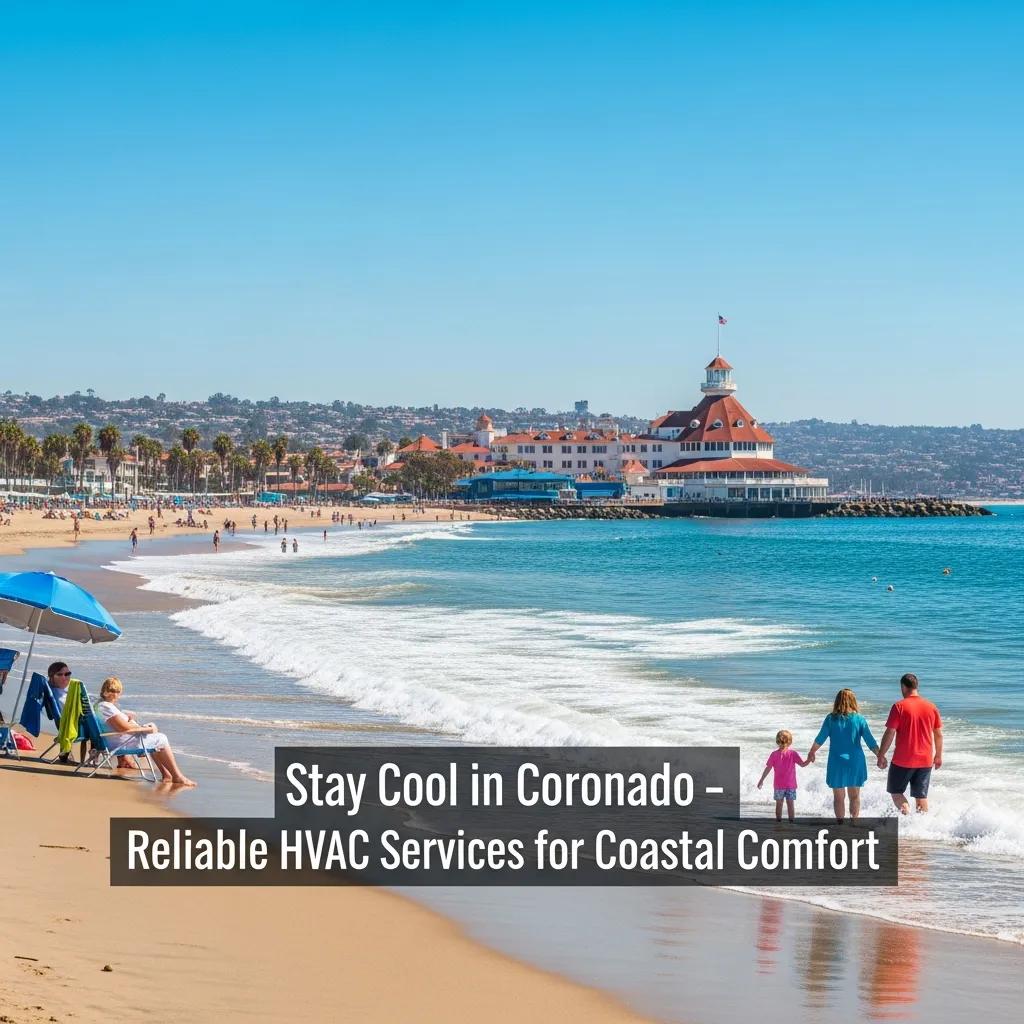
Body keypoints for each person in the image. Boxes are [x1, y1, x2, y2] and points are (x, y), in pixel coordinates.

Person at [95, 677, 195, 786]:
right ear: (108, 692)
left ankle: (166, 774)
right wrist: (143, 729)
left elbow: (116, 724)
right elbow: (123, 728)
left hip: (114, 740)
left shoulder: (99, 705)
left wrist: (132, 721)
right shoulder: (106, 707)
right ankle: (177, 776)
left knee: (154, 733)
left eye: (118, 691)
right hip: (121, 743)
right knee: (162, 738)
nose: (116, 694)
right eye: (114, 691)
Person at [807, 688, 884, 823]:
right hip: (855, 762)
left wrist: (812, 751)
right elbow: (870, 741)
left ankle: (840, 824)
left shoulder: (830, 719)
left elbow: (820, 738)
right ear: (853, 701)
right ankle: (854, 822)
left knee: (838, 798)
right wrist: (880, 755)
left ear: (837, 701)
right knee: (854, 797)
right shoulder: (859, 719)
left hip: (836, 762)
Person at [877, 673, 942, 814]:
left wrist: (881, 754)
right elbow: (938, 734)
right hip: (925, 760)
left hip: (903, 760)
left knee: (896, 792)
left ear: (903, 687)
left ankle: (907, 816)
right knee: (921, 796)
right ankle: (921, 826)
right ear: (916, 686)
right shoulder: (931, 707)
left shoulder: (899, 706)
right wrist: (938, 756)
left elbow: (890, 733)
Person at [756, 729, 809, 822]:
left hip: (779, 785)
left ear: (777, 741)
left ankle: (778, 822)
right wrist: (810, 759)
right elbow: (803, 764)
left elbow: (768, 768)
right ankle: (791, 822)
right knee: (790, 804)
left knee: (779, 804)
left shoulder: (774, 754)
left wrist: (761, 780)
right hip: (790, 785)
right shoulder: (793, 753)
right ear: (790, 742)